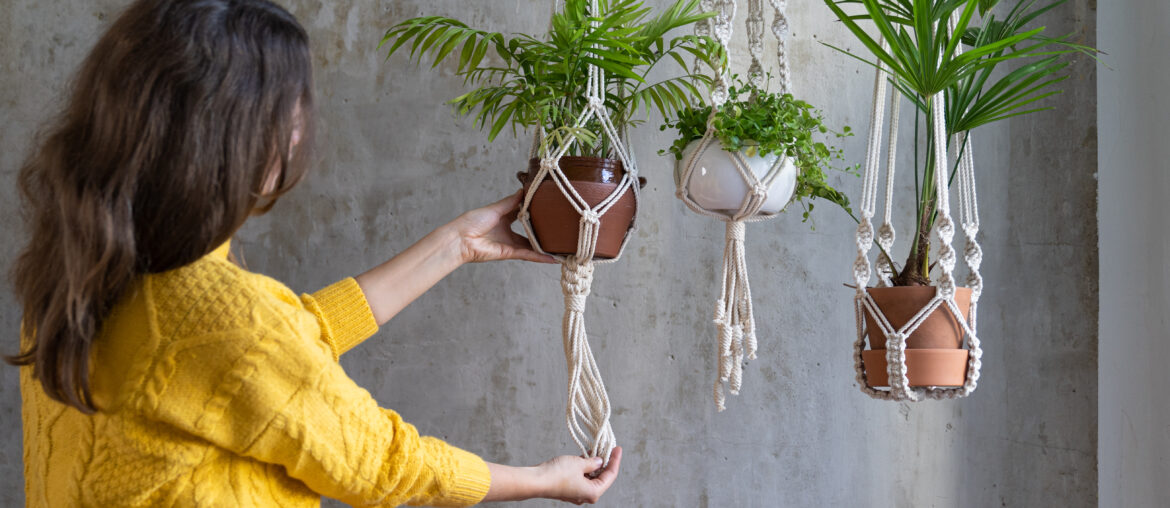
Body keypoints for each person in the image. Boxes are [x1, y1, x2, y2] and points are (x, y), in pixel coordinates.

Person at [7, 0, 622, 506]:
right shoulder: (217, 315)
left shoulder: (78, 280)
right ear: (232, 134)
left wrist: (456, 245)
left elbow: (275, 347)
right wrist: (542, 480)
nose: (301, 131)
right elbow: (379, 463)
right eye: (290, 112)